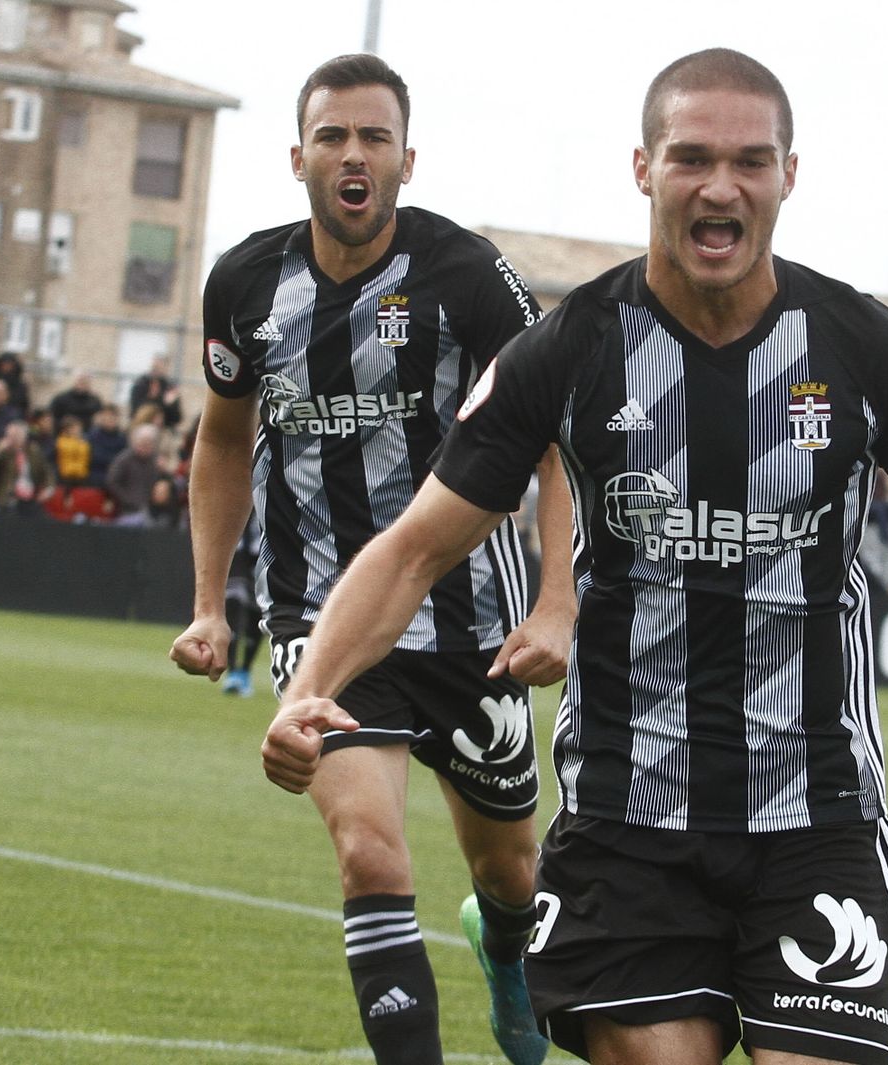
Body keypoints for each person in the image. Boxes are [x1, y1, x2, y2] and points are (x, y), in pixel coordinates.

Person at [259, 49, 888, 1065]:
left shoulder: (865, 350)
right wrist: (315, 686)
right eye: (691, 157)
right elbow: (411, 551)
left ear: (789, 176)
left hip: (814, 815)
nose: (720, 185)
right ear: (644, 169)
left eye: (750, 161)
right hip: (626, 822)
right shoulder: (567, 351)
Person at [169, 54, 573, 1065]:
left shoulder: (468, 279)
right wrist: (211, 605)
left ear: (406, 158)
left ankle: (505, 954)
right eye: (334, 136)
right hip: (324, 620)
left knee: (511, 874)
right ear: (297, 156)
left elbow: (557, 438)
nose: (353, 155)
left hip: (473, 616)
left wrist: (558, 599)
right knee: (366, 849)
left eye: (373, 137)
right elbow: (222, 442)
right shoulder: (245, 283)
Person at [220, 515, 265, 697]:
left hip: (262, 556)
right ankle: (232, 672)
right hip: (236, 555)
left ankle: (245, 670)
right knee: (232, 607)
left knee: (256, 615)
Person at [0, 420, 54, 517]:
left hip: (30, 499)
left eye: (16, 435)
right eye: (10, 435)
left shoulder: (33, 451)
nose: (13, 439)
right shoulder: (4, 453)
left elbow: (46, 472)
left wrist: (49, 488)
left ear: (24, 436)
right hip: (9, 498)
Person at [105, 422, 162, 526]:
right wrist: (127, 499)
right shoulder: (124, 459)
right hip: (125, 511)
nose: (145, 447)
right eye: (143, 443)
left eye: (149, 444)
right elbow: (112, 481)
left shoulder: (153, 462)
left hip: (147, 508)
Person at [128, 357, 183, 429]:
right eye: (154, 367)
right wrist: (160, 401)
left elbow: (176, 418)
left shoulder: (169, 388)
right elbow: (135, 409)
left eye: (159, 367)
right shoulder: (141, 384)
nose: (156, 370)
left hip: (162, 428)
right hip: (141, 426)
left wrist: (169, 405)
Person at [86, 403, 128, 485]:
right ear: (102, 417)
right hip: (96, 476)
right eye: (107, 416)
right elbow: (95, 457)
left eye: (113, 416)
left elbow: (125, 458)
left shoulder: (122, 437)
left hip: (117, 477)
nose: (110, 419)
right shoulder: (92, 436)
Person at [54, 415, 92, 486]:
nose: (78, 430)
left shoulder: (84, 443)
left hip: (82, 477)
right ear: (66, 429)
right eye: (74, 428)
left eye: (79, 427)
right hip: (65, 477)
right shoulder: (60, 442)